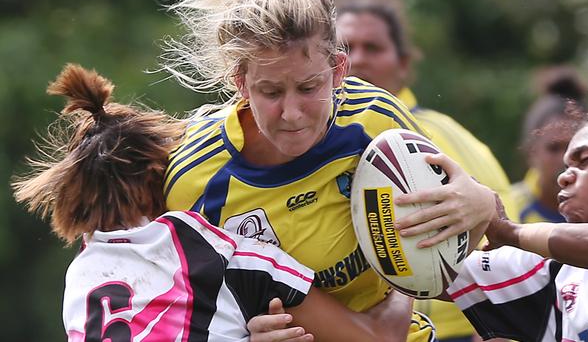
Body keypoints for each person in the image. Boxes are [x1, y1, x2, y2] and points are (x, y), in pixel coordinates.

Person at [160, 0, 499, 341]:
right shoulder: (193, 180)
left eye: (309, 88)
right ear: (241, 82)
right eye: (270, 91)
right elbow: (176, 316)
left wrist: (480, 205)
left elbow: (449, 250)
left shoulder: (376, 121)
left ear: (338, 69)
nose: (291, 113)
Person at [11, 64, 429, 341]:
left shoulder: (81, 278)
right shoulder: (224, 255)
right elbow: (381, 337)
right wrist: (402, 262)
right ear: (165, 175)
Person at [335, 0, 517, 342]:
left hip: (460, 330)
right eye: (346, 46)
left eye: (373, 48)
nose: (358, 59)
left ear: (403, 63)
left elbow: (504, 232)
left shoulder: (444, 138)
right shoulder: (298, 143)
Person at [446, 102, 588, 341]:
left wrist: (506, 230)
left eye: (584, 160)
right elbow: (431, 270)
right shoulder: (552, 269)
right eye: (566, 166)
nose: (564, 177)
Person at [512, 66, 588, 224]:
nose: (565, 159)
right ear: (532, 152)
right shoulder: (505, 211)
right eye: (554, 148)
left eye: (574, 150)